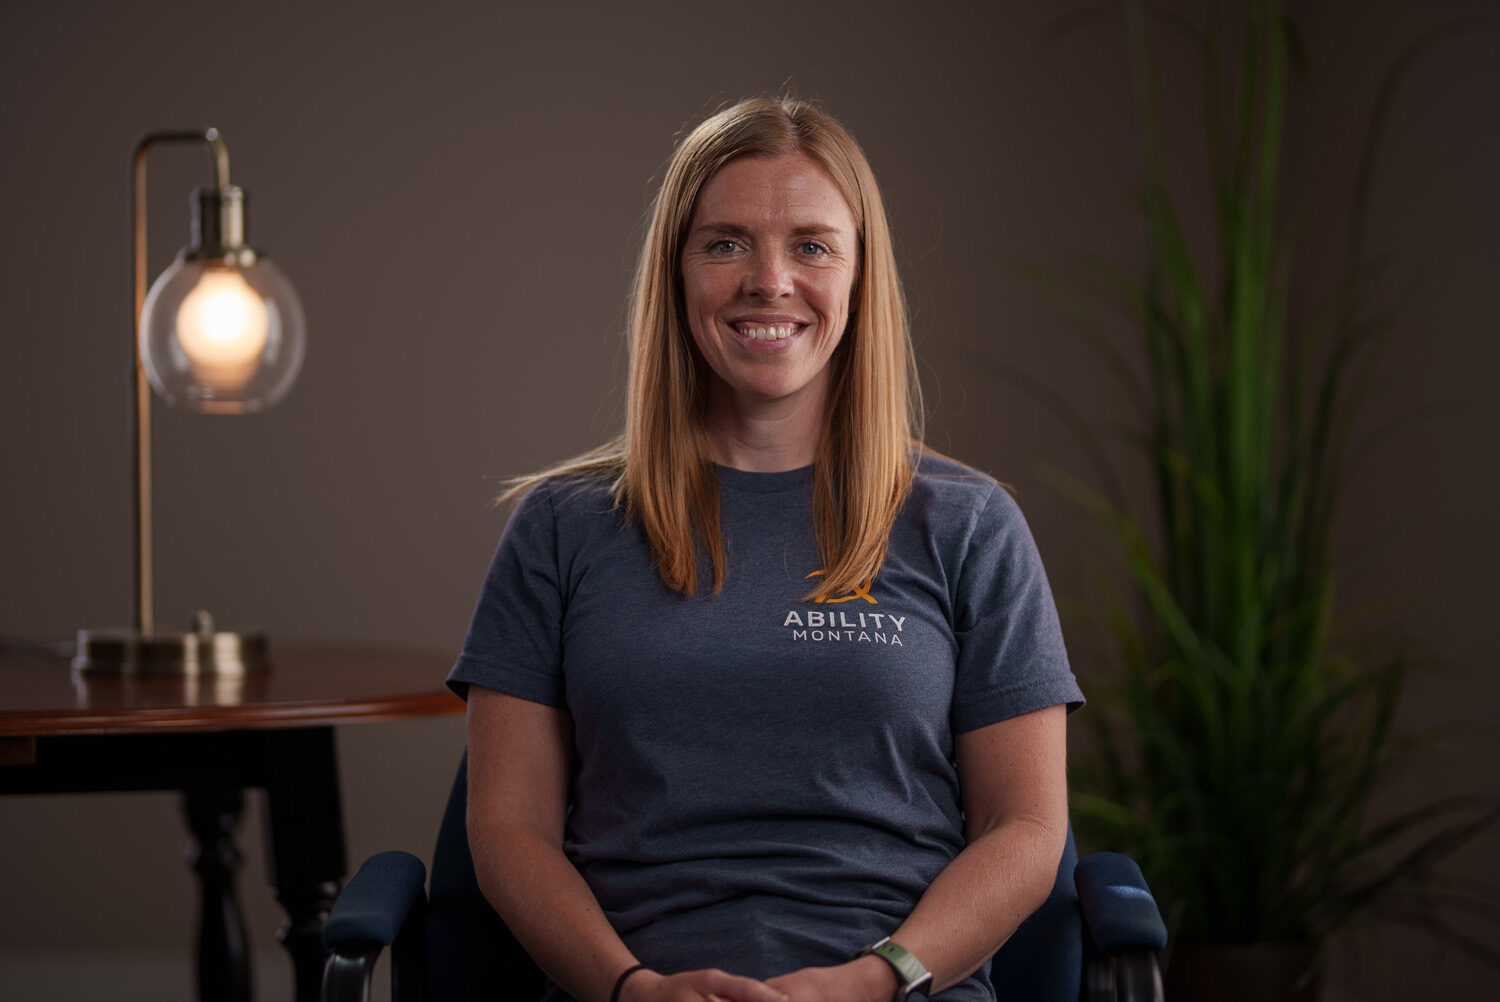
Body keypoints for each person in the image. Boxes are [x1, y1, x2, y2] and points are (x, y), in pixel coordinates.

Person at [448, 96, 1083, 1002]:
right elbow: (508, 830)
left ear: (861, 279)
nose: (769, 280)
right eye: (726, 243)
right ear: (676, 272)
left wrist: (872, 982)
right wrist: (632, 989)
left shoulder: (970, 525)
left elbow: (1025, 831)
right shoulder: (560, 527)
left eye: (813, 247)